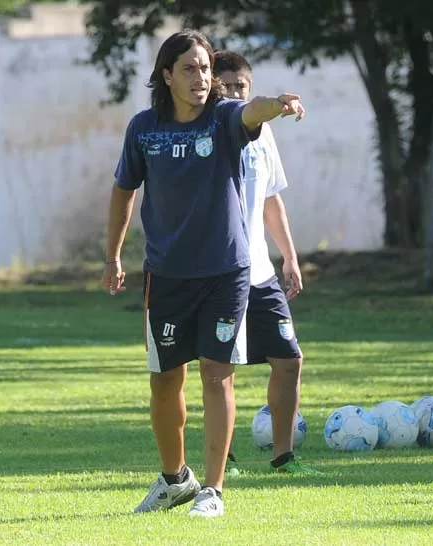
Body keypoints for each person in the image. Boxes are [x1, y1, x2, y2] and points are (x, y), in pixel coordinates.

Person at [102, 30, 306, 518]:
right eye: (190, 68)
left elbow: (250, 109)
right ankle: (176, 479)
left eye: (206, 69)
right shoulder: (143, 129)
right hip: (167, 275)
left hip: (225, 272)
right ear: (167, 75)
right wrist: (112, 255)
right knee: (164, 381)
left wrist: (275, 105)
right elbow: (123, 190)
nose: (201, 77)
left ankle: (213, 490)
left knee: (217, 375)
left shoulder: (224, 119)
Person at [213, 51, 314, 476]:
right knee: (222, 367)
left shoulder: (264, 133)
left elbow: (271, 199)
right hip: (218, 271)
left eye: (242, 86)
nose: (235, 93)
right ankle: (225, 459)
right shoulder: (212, 129)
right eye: (227, 85)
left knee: (289, 360)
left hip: (260, 271)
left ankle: (284, 456)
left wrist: (288, 256)